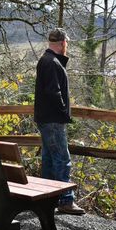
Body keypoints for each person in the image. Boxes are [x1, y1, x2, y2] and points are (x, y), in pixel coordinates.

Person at [34, 28, 85, 215]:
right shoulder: (52, 63)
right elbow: (53, 92)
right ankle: (65, 200)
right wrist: (64, 111)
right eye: (67, 43)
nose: (67, 46)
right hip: (53, 120)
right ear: (63, 43)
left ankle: (47, 198)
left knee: (48, 159)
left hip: (47, 119)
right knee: (62, 159)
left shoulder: (46, 60)